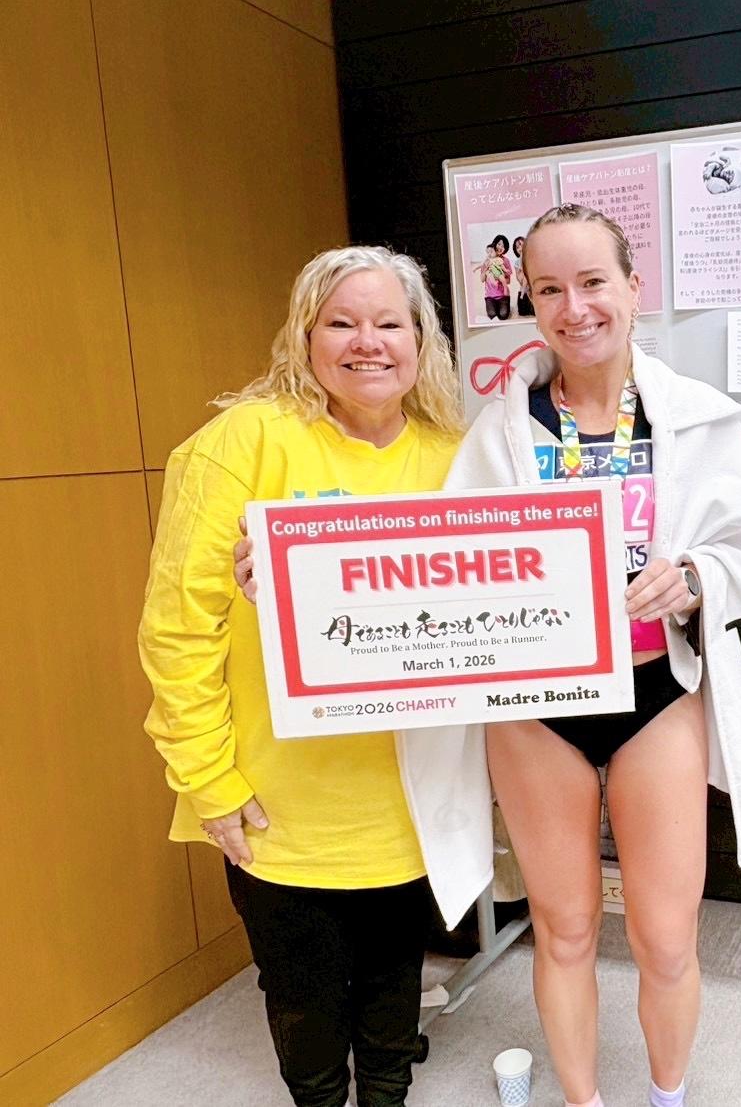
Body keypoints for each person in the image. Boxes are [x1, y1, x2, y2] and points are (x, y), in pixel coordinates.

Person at [402, 203, 741, 1107]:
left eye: (591, 282)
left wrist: (694, 576)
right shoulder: (498, 434)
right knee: (566, 928)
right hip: (535, 707)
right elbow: (442, 563)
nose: (574, 308)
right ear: (530, 303)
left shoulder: (693, 422)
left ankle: (666, 1098)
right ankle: (582, 1102)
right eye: (549, 289)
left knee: (666, 937)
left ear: (632, 287)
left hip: (655, 693)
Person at [139, 245, 464, 1107]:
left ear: (420, 339)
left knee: (394, 981)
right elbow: (177, 629)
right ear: (305, 337)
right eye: (341, 323)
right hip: (280, 800)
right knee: (303, 997)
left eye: (389, 323)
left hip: (413, 790)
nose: (368, 342)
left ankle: (387, 1095)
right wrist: (209, 780)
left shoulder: (455, 455)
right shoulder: (243, 442)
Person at [513, 234, 534, 317]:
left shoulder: (532, 259)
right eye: (517, 247)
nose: (520, 248)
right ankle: (523, 295)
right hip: (523, 289)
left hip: (532, 290)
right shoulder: (516, 262)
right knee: (522, 312)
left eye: (522, 245)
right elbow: (519, 279)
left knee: (534, 312)